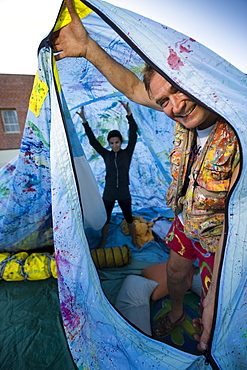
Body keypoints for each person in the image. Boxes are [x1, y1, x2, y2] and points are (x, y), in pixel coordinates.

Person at [52, 0, 240, 352]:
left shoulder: (236, 126)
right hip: (185, 220)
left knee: (217, 311)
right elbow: (133, 88)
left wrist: (217, 294)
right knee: (175, 273)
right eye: (164, 100)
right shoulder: (169, 121)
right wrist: (90, 49)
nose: (175, 106)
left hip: (227, 240)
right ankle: (175, 310)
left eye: (179, 91)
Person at [77, 102, 140, 249]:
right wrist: (84, 121)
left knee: (129, 217)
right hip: (109, 191)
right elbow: (93, 142)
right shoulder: (106, 155)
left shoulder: (127, 153)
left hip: (124, 190)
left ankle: (135, 240)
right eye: (111, 143)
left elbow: (133, 134)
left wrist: (129, 114)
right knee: (106, 218)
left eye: (117, 142)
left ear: (120, 142)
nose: (114, 145)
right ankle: (103, 241)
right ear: (109, 144)